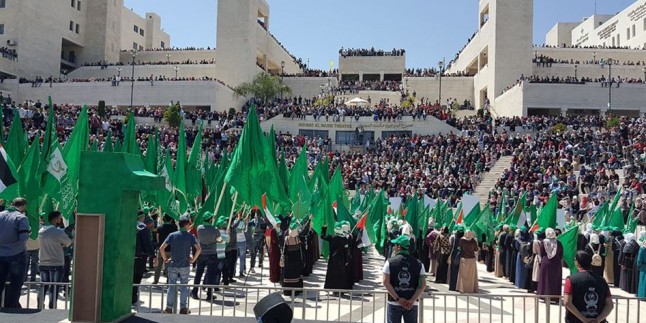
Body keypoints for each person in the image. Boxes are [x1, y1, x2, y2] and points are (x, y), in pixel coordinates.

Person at [159, 216, 201, 315]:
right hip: (185, 265)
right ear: (186, 225)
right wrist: (193, 259)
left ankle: (169, 308)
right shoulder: (190, 236)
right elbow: (199, 249)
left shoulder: (172, 235)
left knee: (171, 287)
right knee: (184, 287)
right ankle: (183, 308)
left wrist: (165, 259)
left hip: (173, 264)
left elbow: (162, 248)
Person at [382, 235, 426, 323]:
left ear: (399, 247)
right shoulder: (419, 264)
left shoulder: (389, 262)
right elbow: (422, 285)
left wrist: (398, 299)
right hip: (412, 304)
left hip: (394, 302)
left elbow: (385, 282)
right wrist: (412, 300)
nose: (394, 247)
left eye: (395, 245)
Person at [563, 251, 614, 323]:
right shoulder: (602, 281)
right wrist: (598, 320)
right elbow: (610, 305)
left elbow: (567, 302)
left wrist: (584, 319)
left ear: (577, 262)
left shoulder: (570, 280)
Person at [38, 211, 72, 309]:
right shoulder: (59, 232)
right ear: (56, 219)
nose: (61, 219)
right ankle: (52, 308)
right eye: (60, 218)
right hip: (56, 263)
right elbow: (68, 242)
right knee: (54, 287)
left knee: (43, 286)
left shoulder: (40, 231)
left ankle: (39, 305)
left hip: (43, 262)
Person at [0, 197, 30, 308]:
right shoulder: (21, 218)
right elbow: (23, 238)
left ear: (12, 204)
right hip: (16, 255)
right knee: (16, 283)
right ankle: (11, 306)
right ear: (23, 206)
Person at [191, 212, 220, 301]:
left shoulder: (199, 228)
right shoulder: (215, 229)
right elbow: (220, 240)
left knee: (198, 274)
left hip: (202, 253)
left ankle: (195, 292)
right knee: (211, 275)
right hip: (212, 254)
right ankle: (209, 294)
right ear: (210, 219)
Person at [321, 222, 352, 293]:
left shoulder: (332, 237)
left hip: (332, 259)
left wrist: (324, 228)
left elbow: (322, 236)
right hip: (342, 260)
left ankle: (333, 289)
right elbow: (346, 251)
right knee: (341, 275)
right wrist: (347, 260)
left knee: (332, 274)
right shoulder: (344, 239)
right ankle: (340, 291)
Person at [133, 216, 156, 305]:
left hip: (128, 255)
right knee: (137, 278)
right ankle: (133, 297)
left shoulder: (128, 224)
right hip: (140, 257)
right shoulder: (143, 228)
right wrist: (153, 255)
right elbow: (147, 243)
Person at [537, 228, 563, 300]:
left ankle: (543, 296)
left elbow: (541, 253)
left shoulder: (543, 242)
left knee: (545, 279)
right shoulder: (558, 243)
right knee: (555, 279)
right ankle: (555, 297)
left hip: (546, 262)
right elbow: (561, 254)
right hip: (556, 263)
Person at [281, 222, 304, 296]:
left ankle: (287, 291)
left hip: (288, 261)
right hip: (296, 261)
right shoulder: (299, 238)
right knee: (296, 276)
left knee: (288, 276)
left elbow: (284, 251)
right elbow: (303, 231)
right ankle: (296, 291)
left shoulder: (286, 239)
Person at [154, 215, 177, 284]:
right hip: (171, 250)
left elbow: (157, 238)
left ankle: (156, 280)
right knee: (169, 266)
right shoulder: (174, 227)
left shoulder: (159, 228)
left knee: (158, 266)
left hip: (161, 249)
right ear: (171, 220)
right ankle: (168, 280)